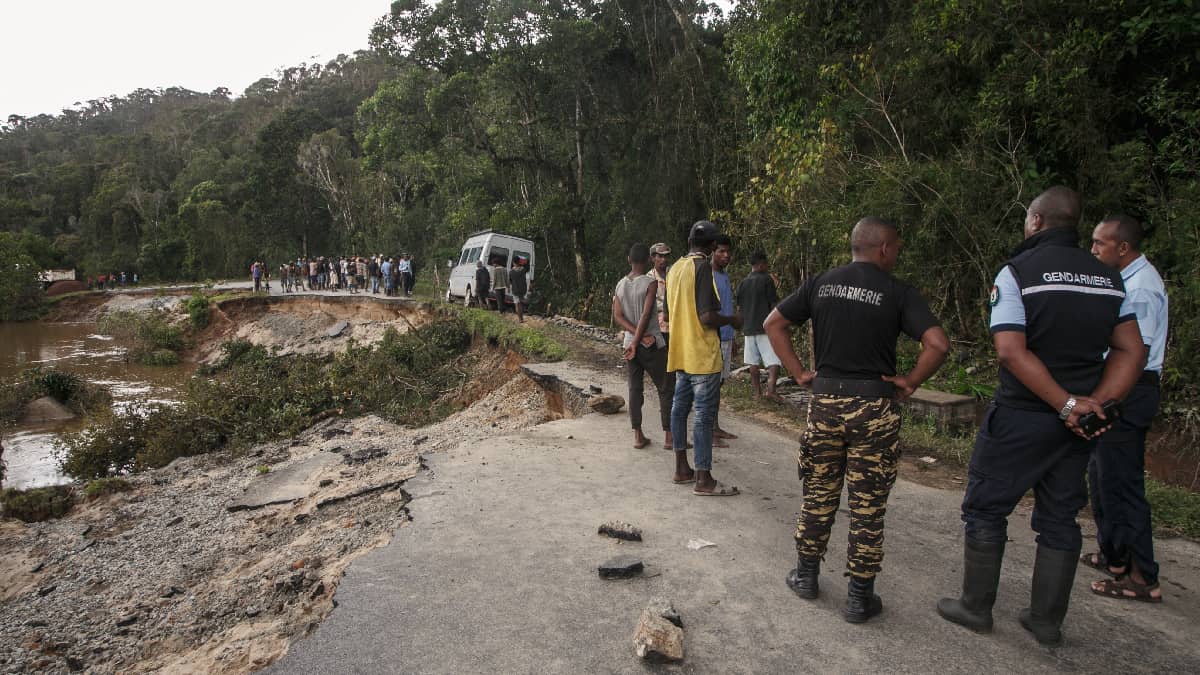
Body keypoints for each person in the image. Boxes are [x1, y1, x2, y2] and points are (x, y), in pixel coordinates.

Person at [936, 187, 1145, 646]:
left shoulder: (1018, 273)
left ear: (1035, 221)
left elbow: (1011, 352)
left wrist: (1065, 403)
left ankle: (975, 607)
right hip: (1076, 430)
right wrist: (1095, 405)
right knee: (1059, 518)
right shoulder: (1110, 279)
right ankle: (1046, 621)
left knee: (987, 507)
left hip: (1023, 417)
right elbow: (1133, 349)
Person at [764, 216, 949, 623]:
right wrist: (911, 381)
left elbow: (773, 324)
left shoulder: (821, 283)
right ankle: (859, 599)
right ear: (883, 248)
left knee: (818, 494)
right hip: (874, 408)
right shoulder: (898, 292)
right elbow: (937, 344)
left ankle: (807, 577)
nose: (897, 253)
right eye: (896, 247)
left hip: (826, 403)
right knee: (867, 506)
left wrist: (797, 373)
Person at [1082, 215, 1168, 603]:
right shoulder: (1123, 281)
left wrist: (1106, 398)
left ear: (1123, 248)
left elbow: (1135, 354)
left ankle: (1142, 577)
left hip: (1129, 390)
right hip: (1117, 385)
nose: (1094, 250)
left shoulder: (1142, 289)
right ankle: (1115, 556)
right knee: (1102, 479)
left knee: (1123, 484)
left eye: (1100, 244)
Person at [664, 220, 742, 496]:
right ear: (711, 246)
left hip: (680, 351)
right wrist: (732, 319)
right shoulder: (702, 269)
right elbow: (707, 316)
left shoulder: (674, 269)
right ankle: (703, 479)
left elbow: (669, 312)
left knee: (679, 409)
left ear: (688, 242)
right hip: (703, 354)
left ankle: (681, 468)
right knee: (703, 417)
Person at [613, 243, 676, 450]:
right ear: (649, 260)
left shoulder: (620, 285)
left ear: (628, 260)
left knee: (635, 388)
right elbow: (647, 314)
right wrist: (641, 338)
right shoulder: (650, 283)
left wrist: (633, 339)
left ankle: (638, 435)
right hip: (650, 343)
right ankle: (668, 435)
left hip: (630, 343)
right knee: (666, 387)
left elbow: (618, 316)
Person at [737, 251, 783, 400]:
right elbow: (773, 304)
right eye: (766, 264)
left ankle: (757, 393)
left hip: (749, 328)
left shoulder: (743, 283)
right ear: (761, 264)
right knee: (774, 361)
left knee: (753, 362)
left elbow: (739, 308)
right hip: (765, 327)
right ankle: (771, 390)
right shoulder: (766, 280)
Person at [710, 235, 738, 445]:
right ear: (712, 251)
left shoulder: (725, 276)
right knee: (711, 385)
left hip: (727, 337)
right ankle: (708, 430)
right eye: (721, 251)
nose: (726, 255)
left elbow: (729, 306)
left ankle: (715, 426)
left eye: (728, 252)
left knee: (719, 384)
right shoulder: (708, 276)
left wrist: (733, 337)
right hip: (714, 338)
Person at [649, 243, 672, 347]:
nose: (664, 259)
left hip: (674, 326)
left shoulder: (673, 274)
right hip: (657, 328)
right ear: (653, 258)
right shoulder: (649, 279)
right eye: (660, 256)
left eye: (666, 256)